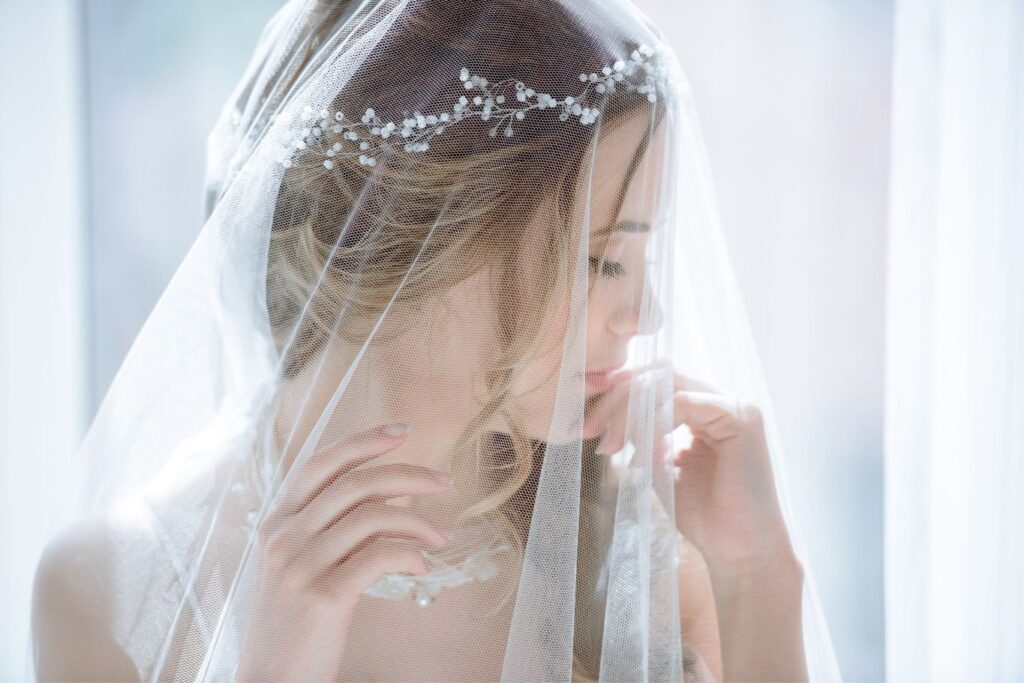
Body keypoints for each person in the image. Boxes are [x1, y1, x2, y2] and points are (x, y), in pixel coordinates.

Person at [30, 0, 842, 680]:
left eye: (642, 256)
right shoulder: (114, 589)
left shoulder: (651, 547)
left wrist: (760, 576)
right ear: (421, 237)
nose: (649, 314)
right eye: (602, 259)